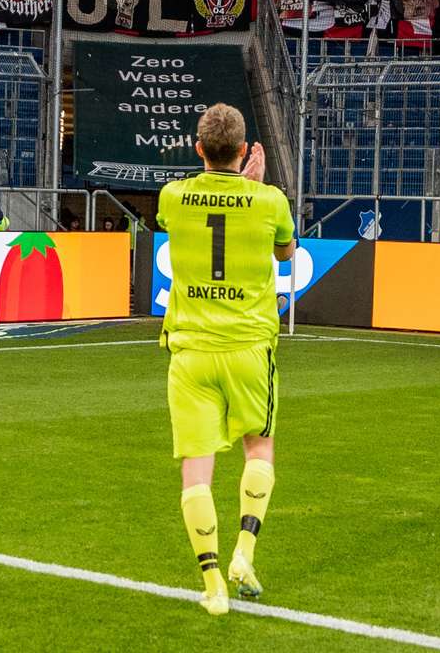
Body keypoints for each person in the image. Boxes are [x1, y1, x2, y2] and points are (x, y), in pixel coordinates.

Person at [156, 103, 293, 615]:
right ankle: (244, 554)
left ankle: (211, 583)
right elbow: (284, 254)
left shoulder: (173, 195)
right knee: (259, 450)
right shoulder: (269, 200)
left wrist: (233, 185)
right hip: (249, 348)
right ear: (243, 151)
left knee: (197, 470)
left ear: (198, 149)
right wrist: (254, 188)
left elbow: (183, 214)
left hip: (191, 352)